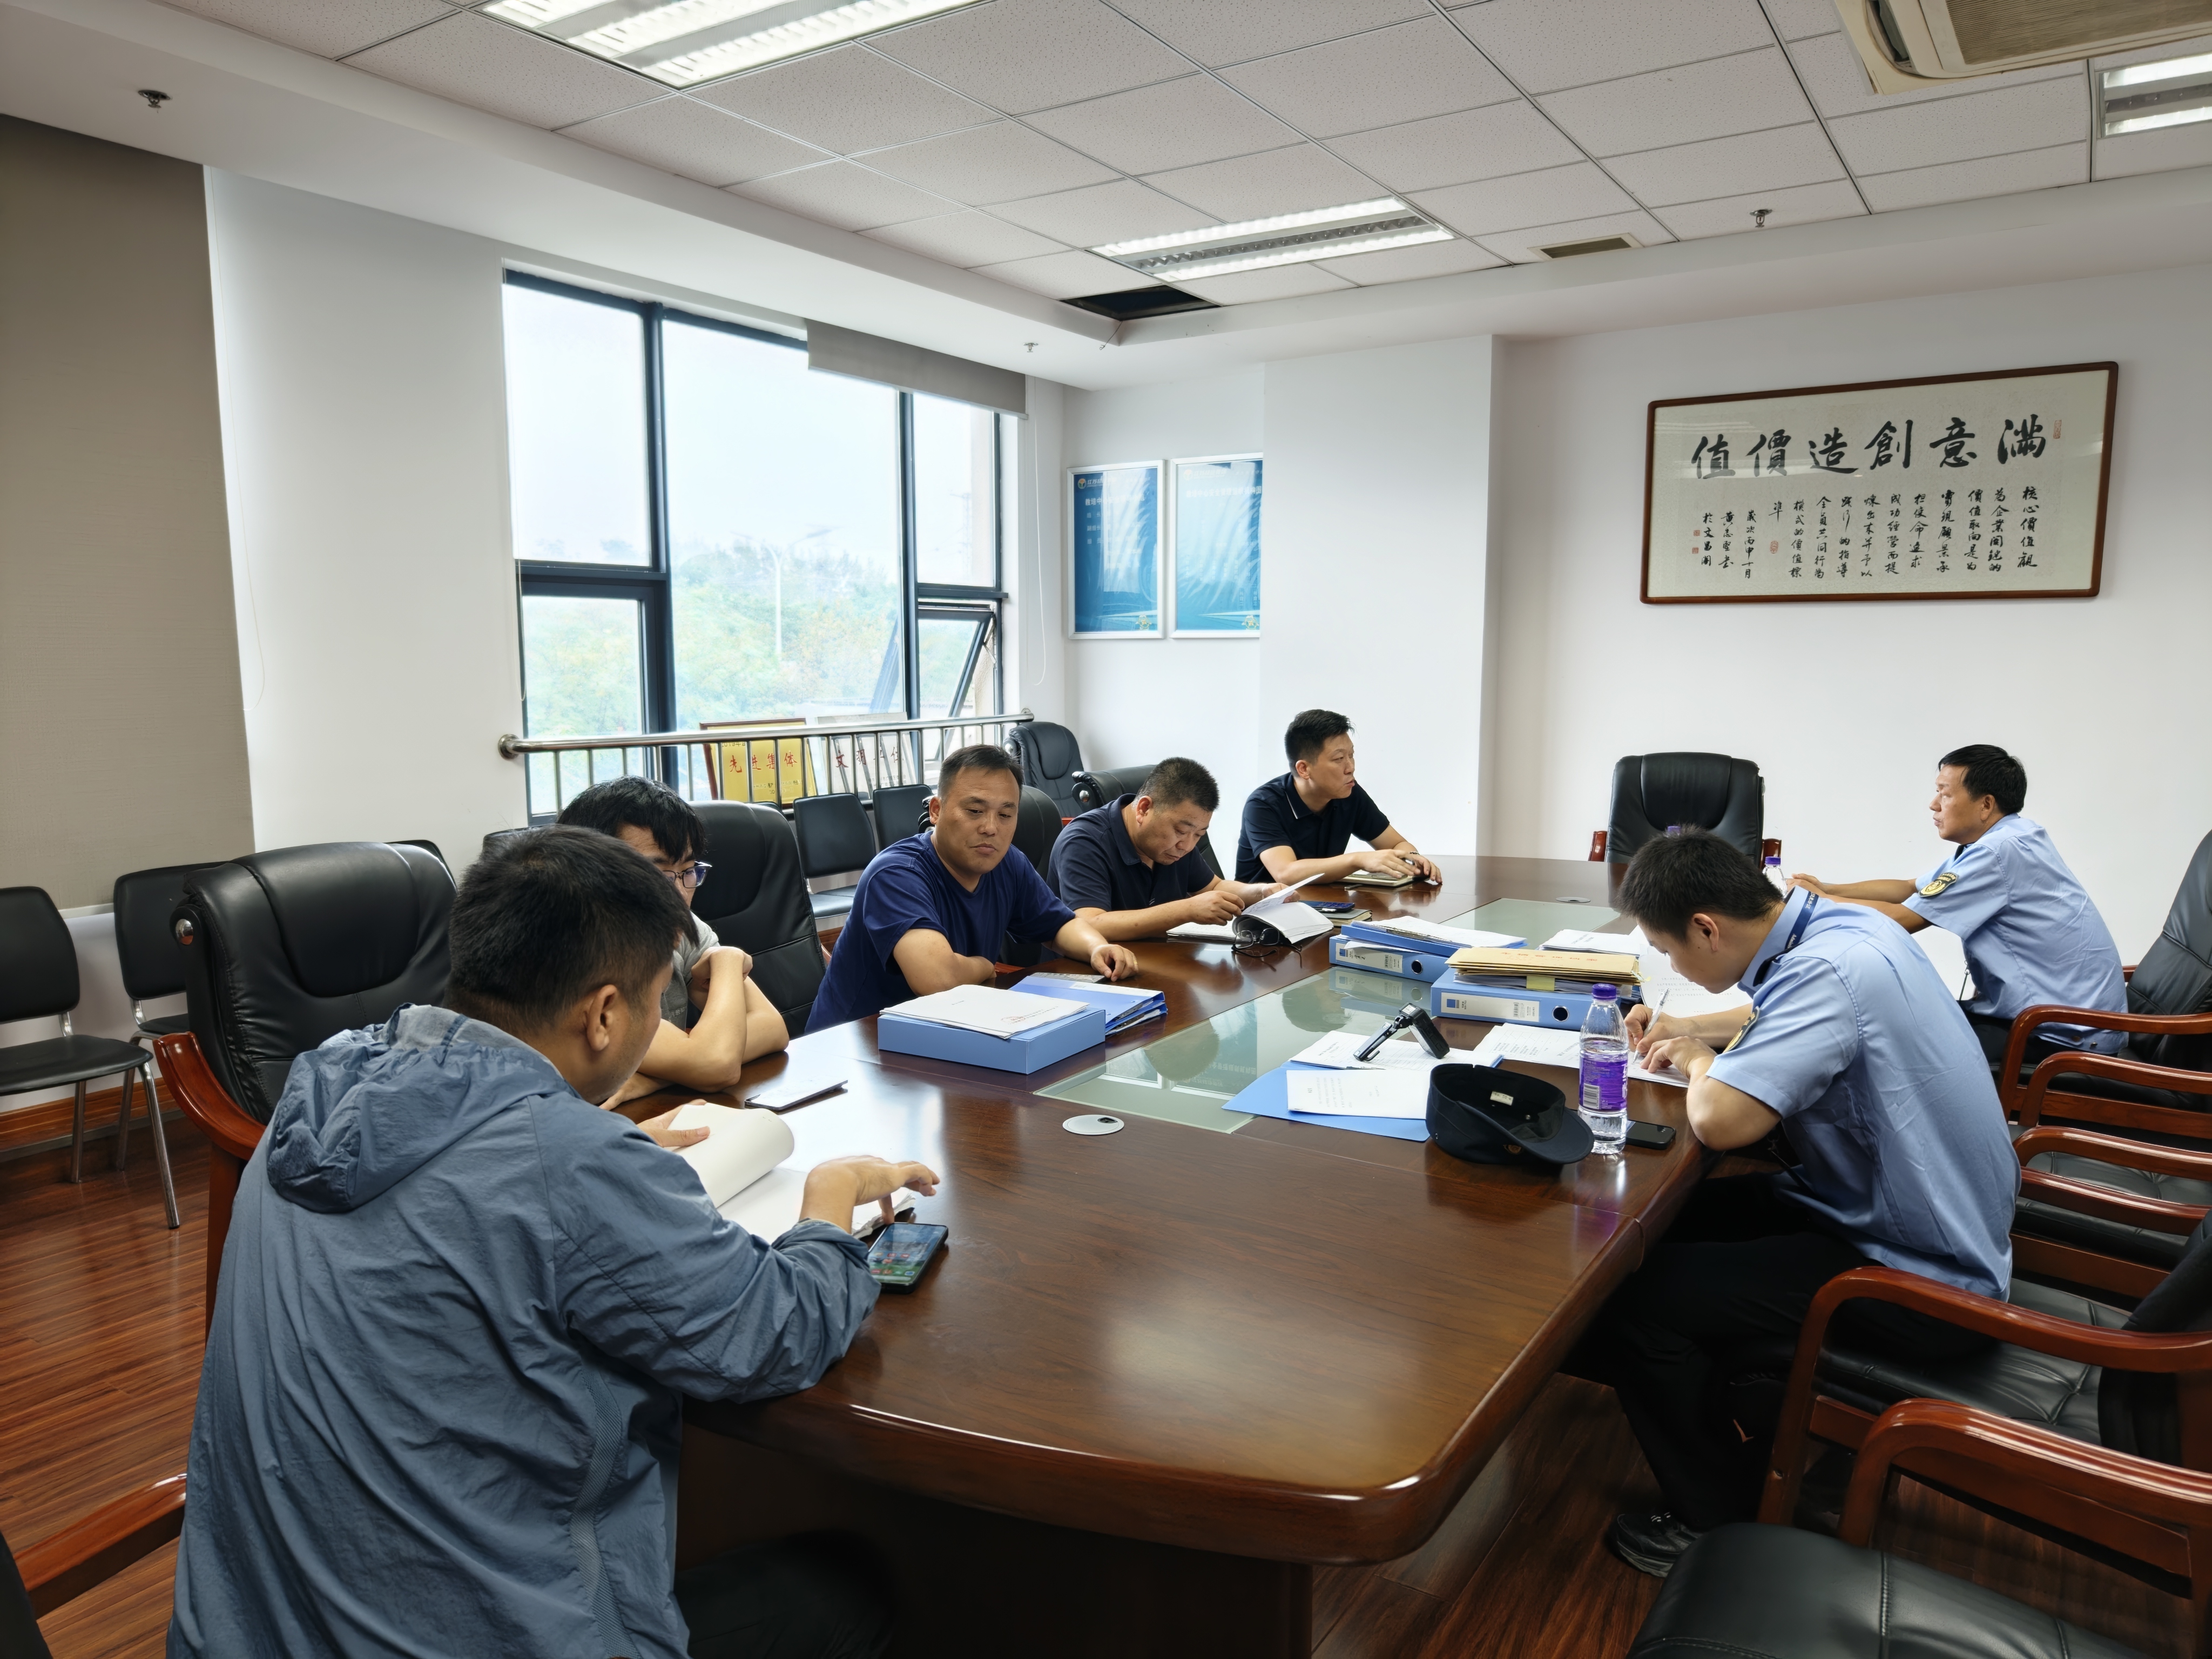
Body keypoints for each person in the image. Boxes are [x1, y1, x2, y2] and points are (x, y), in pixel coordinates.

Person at [170, 826, 935, 1658]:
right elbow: (774, 1335)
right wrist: (828, 1203)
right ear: (604, 1015)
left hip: (253, 1632)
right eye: (656, 1000)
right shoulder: (564, 1164)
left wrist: (583, 1144)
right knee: (845, 1588)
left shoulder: (322, 1083)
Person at [1573, 830, 2017, 1579]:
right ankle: (1721, 1406)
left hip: (1923, 1277)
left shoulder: (1825, 974)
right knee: (1659, 1228)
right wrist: (1690, 1026)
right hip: (1910, 1212)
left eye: (1669, 951)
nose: (1673, 969)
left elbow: (1721, 1121)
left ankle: (1715, 1519)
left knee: (1634, 1298)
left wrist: (1698, 1059)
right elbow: (1780, 1016)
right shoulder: (1843, 929)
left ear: (1706, 928)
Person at [1790, 744, 2125, 1068]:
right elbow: (1909, 888)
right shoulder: (2008, 837)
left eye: (1945, 794)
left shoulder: (1997, 852)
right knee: (1889, 1021)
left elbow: (1901, 918)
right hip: (2059, 1021)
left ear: (1986, 804)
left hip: (2060, 1035)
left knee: (1876, 1040)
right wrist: (1826, 888)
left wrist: (1813, 900)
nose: (1934, 805)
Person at [806, 745, 1140, 1031]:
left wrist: (1096, 948)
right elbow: (937, 979)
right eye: (975, 811)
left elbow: (1059, 926)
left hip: (946, 1031)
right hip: (856, 1047)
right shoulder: (896, 874)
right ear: (936, 810)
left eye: (1006, 815)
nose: (990, 828)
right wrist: (983, 966)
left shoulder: (1007, 862)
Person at [558, 775, 789, 1104]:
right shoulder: (577, 953)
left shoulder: (679, 926)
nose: (679, 896)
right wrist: (728, 959)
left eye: (688, 871)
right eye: (657, 874)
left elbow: (772, 1029)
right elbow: (716, 1064)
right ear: (589, 874)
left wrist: (655, 1078)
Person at [1048, 756, 1277, 940]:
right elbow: (1089, 923)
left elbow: (1213, 887)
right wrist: (1187, 909)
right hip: (1088, 974)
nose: (1187, 846)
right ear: (1144, 809)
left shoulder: (1178, 845)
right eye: (1180, 831)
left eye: (1199, 835)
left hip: (1155, 958)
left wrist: (1262, 893)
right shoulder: (1084, 841)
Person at [1235, 709, 1438, 885]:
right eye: (1339, 758)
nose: (1351, 767)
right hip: (1263, 912)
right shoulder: (1263, 804)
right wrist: (1359, 860)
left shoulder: (1348, 793)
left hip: (1324, 904)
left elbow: (1396, 845)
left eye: (1351, 755)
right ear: (1304, 769)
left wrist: (1413, 860)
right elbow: (1286, 873)